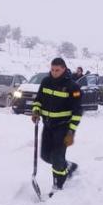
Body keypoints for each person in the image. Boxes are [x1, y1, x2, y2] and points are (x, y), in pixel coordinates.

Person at [31, 58, 82, 193]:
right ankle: (68, 167)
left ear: (64, 69)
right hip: (47, 125)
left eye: (57, 70)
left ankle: (57, 186)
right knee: (45, 156)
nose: (54, 73)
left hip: (63, 127)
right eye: (52, 70)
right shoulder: (46, 82)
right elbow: (38, 100)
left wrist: (71, 131)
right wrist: (36, 111)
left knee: (57, 158)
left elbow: (77, 111)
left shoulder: (72, 87)